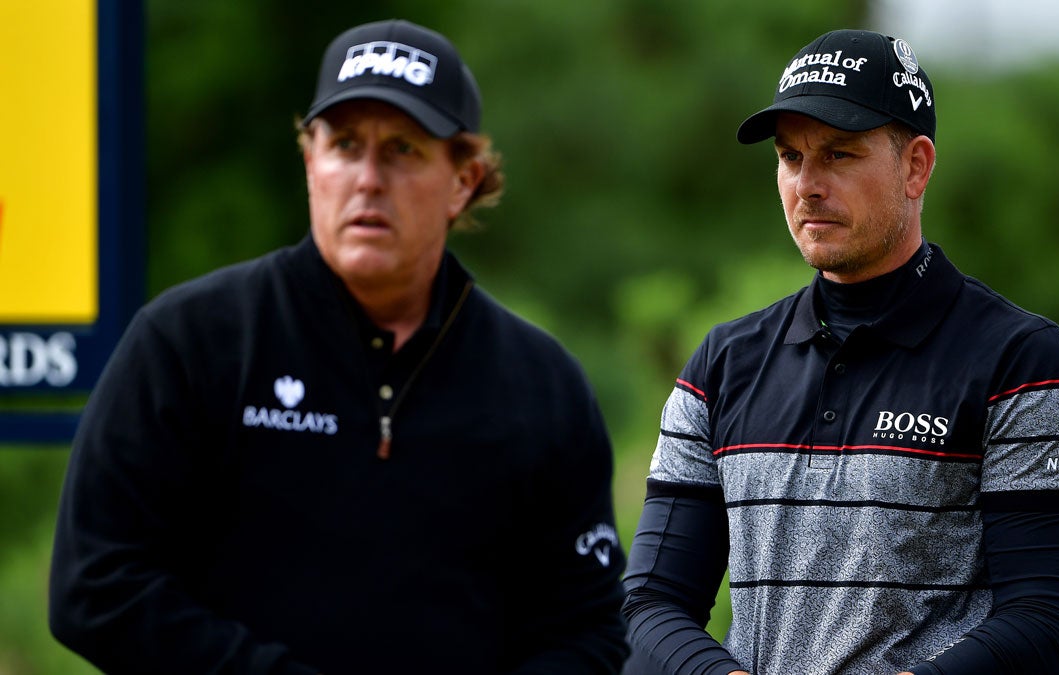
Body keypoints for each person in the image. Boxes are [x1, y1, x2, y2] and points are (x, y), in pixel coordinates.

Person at [49, 19, 628, 674]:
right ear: (310, 162)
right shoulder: (189, 341)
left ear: (463, 180)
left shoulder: (541, 383)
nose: (367, 178)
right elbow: (95, 585)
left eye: (403, 150)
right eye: (346, 145)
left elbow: (590, 629)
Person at [621, 29, 1059, 675]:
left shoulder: (1025, 364)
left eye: (839, 155)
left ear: (916, 166)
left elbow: (1043, 623)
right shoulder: (723, 363)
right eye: (791, 157)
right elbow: (650, 605)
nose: (807, 185)